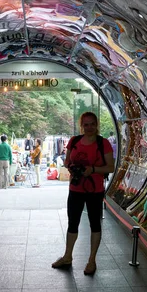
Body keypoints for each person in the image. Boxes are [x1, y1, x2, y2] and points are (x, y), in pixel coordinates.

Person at [52, 112, 114, 275]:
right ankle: (67, 256)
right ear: (82, 126)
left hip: (95, 190)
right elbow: (67, 161)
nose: (89, 127)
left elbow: (110, 167)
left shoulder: (103, 143)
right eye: (86, 124)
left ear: (97, 124)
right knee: (73, 223)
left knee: (94, 223)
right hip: (76, 188)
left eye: (92, 124)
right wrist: (71, 166)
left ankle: (92, 260)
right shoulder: (74, 141)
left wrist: (92, 170)